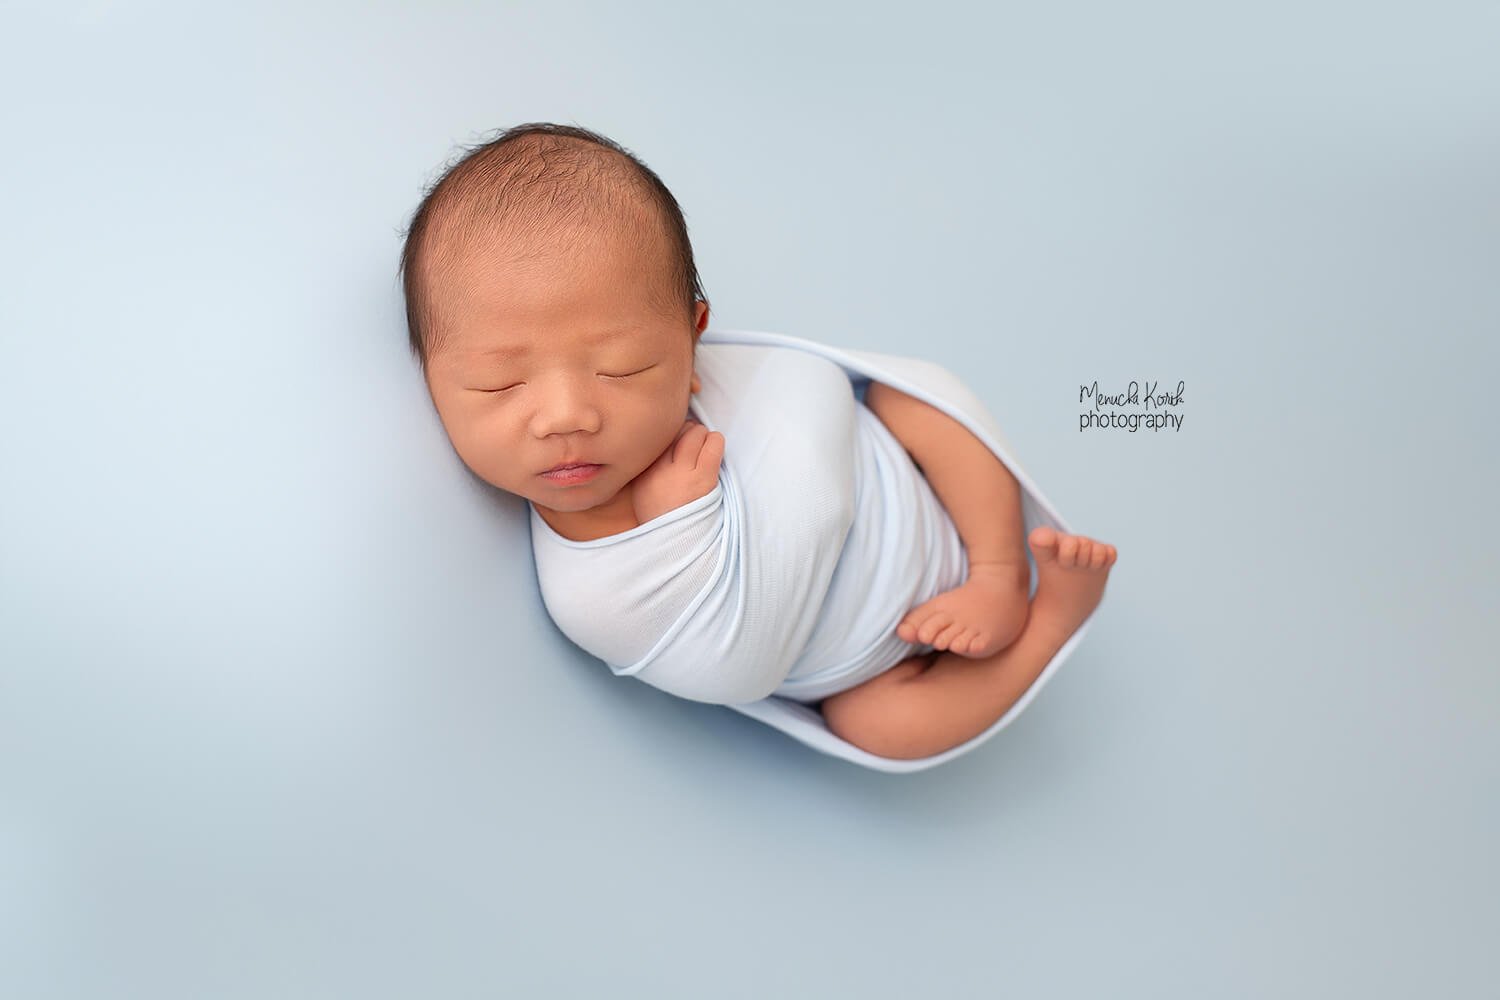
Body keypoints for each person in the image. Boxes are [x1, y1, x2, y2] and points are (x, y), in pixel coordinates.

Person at [399, 122, 1117, 760]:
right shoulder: (588, 596)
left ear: (692, 337)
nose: (567, 416)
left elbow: (810, 385)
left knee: (911, 397)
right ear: (429, 373)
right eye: (498, 385)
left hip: (910, 493)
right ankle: (1052, 623)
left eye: (623, 368)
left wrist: (984, 567)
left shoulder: (725, 384)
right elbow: (736, 671)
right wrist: (685, 521)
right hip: (874, 660)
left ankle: (998, 572)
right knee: (879, 725)